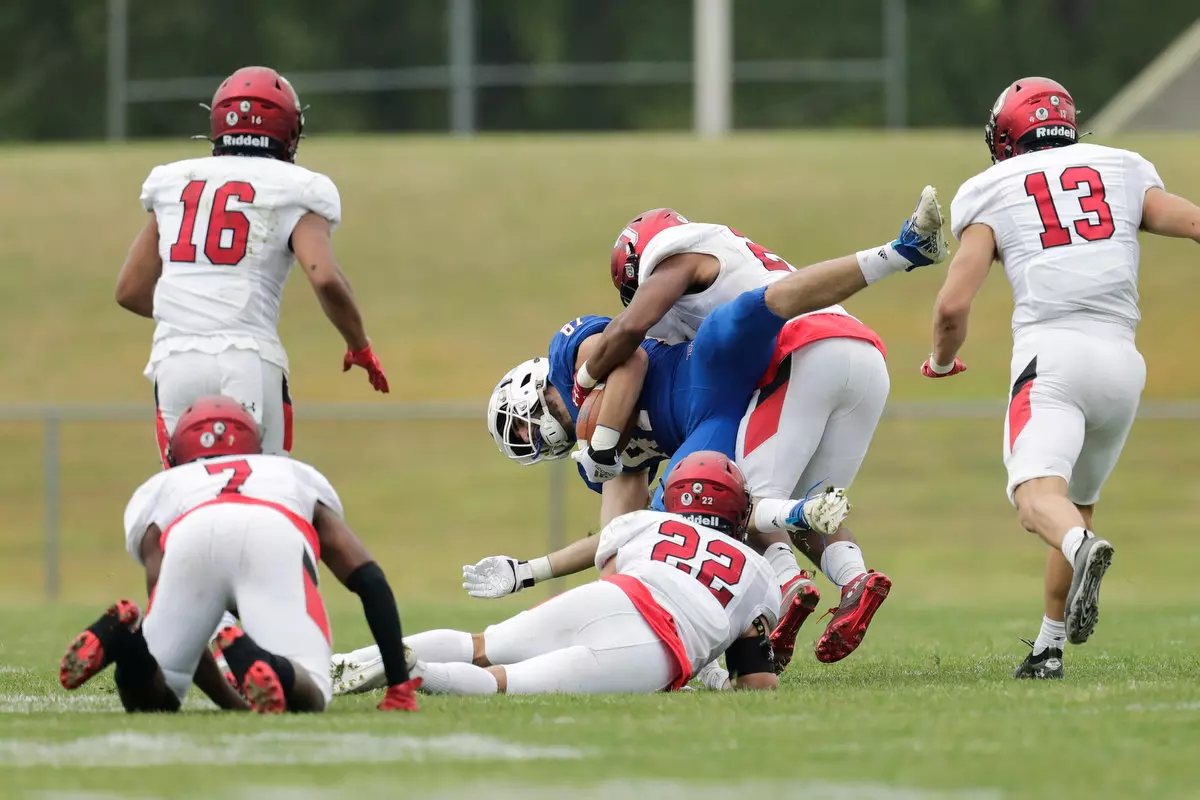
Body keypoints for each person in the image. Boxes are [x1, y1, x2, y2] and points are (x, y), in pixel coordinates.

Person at [482, 186, 946, 670]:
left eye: (524, 427)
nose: (536, 436)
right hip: (735, 409)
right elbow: (618, 541)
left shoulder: (575, 351)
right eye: (527, 444)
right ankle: (805, 589)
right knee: (694, 515)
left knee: (747, 316)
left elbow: (631, 356)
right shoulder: (601, 467)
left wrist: (597, 436)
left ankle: (900, 251)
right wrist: (529, 572)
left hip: (719, 368)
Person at [926, 76, 1200, 679]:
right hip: (1124, 367)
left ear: (1005, 137)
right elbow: (1193, 222)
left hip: (1052, 359)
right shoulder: (1122, 167)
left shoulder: (991, 188)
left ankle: (1080, 549)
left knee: (1036, 501)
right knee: (1076, 500)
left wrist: (942, 360)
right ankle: (1049, 646)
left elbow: (952, 306)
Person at [572, 208, 896, 664]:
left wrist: (585, 380)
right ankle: (854, 579)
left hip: (803, 350)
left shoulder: (678, 259)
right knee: (810, 506)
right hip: (866, 355)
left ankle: (789, 587)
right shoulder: (731, 253)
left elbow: (631, 329)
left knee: (742, 499)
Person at [58, 396, 419, 713]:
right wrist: (400, 688)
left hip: (190, 532)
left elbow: (182, 622)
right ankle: (260, 660)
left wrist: (231, 705)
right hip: (272, 529)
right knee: (311, 690)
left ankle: (125, 639)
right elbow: (368, 578)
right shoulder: (290, 474)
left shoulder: (165, 487)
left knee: (154, 698)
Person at [115, 65, 388, 469]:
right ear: (289, 131)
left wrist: (192, 310)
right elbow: (325, 276)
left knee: (184, 500)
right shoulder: (298, 186)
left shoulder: (176, 181)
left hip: (175, 362)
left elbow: (130, 291)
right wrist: (359, 345)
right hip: (247, 358)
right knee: (262, 497)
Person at [338, 452, 782, 696]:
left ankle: (345, 663)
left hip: (614, 596)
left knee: (481, 646)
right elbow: (757, 682)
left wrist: (529, 573)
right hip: (655, 644)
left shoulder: (648, 521)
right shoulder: (759, 572)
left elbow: (606, 558)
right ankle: (417, 671)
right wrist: (717, 676)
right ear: (738, 508)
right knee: (503, 684)